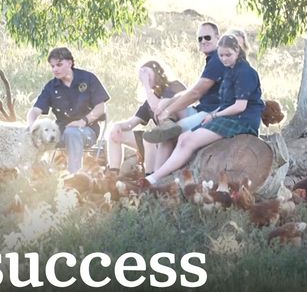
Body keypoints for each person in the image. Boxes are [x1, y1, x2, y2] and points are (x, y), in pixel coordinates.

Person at [144, 34, 264, 185]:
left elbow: (240, 106)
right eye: (221, 55)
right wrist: (214, 114)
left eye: (229, 55)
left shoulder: (245, 72)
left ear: (238, 51)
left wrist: (214, 115)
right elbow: (226, 102)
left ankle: (154, 178)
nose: (225, 59)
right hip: (227, 116)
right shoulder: (229, 70)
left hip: (243, 120)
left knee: (188, 140)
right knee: (183, 138)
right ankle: (160, 177)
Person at [27, 47, 110, 173]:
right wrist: (32, 125)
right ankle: (35, 177)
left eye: (59, 65)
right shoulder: (51, 86)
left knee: (72, 132)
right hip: (60, 130)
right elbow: (35, 110)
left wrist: (83, 121)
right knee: (35, 135)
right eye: (52, 66)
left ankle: (74, 178)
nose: (55, 69)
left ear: (70, 63)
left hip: (87, 129)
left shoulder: (88, 78)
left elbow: (101, 107)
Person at [142, 21, 228, 143]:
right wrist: (168, 102)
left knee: (168, 136)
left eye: (207, 37)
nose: (203, 41)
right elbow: (191, 91)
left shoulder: (217, 60)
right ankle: (167, 126)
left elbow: (195, 93)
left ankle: (166, 140)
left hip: (211, 113)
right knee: (171, 105)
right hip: (203, 109)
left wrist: (167, 111)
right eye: (200, 38)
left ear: (218, 38)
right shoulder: (212, 60)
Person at [106, 60, 186, 175]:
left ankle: (149, 177)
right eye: (142, 75)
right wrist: (117, 126)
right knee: (115, 134)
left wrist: (147, 87)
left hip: (173, 136)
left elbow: (158, 108)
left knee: (149, 138)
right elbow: (132, 123)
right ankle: (113, 176)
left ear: (157, 72)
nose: (145, 78)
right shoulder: (150, 98)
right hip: (157, 140)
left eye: (147, 73)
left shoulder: (174, 86)